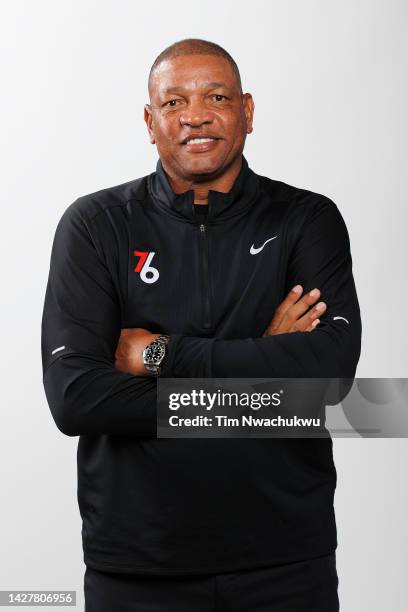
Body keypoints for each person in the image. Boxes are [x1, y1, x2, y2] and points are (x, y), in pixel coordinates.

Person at [41, 38, 361, 611]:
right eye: (174, 102)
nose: (196, 115)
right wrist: (264, 363)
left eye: (217, 96)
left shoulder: (307, 219)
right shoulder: (95, 226)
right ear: (149, 120)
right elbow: (76, 399)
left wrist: (162, 356)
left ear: (248, 111)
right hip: (137, 566)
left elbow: (331, 383)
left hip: (286, 560)